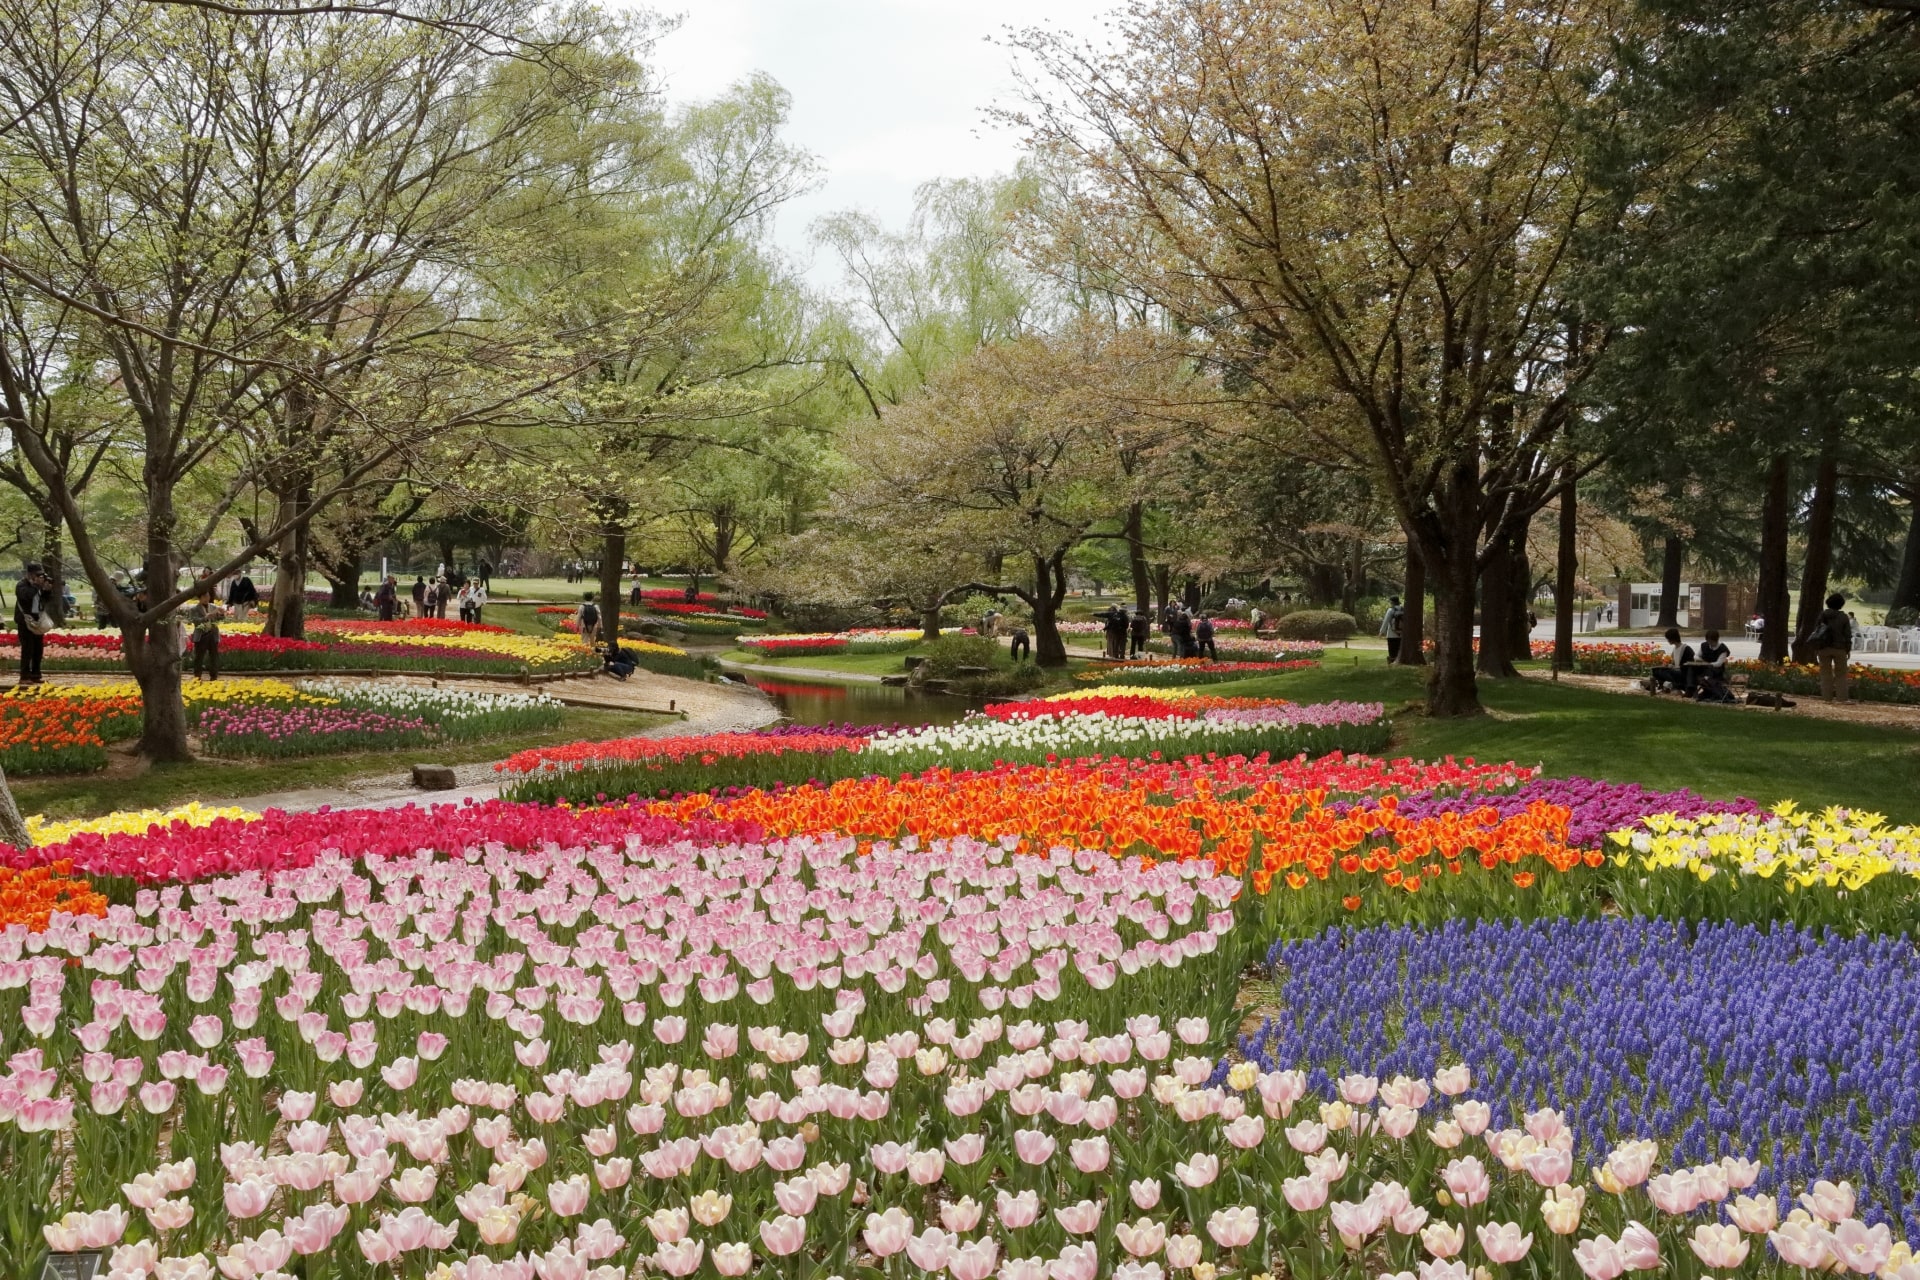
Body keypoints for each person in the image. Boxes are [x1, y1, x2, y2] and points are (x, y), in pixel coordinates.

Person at [1804, 591, 1854, 703]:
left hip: (1823, 647)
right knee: (1841, 674)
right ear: (1841, 604)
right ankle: (1842, 698)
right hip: (1839, 648)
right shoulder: (1843, 617)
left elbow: (1817, 631)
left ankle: (1827, 698)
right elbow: (1847, 634)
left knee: (1825, 673)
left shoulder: (1822, 615)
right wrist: (1848, 648)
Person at [13, 562, 53, 685]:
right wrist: (36, 586)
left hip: (37, 620)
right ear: (30, 574)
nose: (40, 577)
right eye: (37, 575)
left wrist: (46, 590)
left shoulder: (38, 586)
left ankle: (36, 674)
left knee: (37, 649)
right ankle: (24, 675)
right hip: (25, 621)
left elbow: (45, 600)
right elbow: (27, 597)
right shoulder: (21, 585)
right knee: (27, 649)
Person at [1647, 626, 1694, 694]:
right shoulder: (1675, 649)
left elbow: (1687, 665)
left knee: (1668, 672)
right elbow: (1674, 663)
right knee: (1656, 670)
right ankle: (1661, 687)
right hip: (1676, 670)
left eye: (1668, 639)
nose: (1668, 641)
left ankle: (1676, 686)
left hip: (1682, 673)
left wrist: (1672, 667)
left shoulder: (1685, 648)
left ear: (1673, 638)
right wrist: (1669, 665)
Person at [187, 594, 222, 680]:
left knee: (214, 656)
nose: (207, 599)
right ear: (200, 598)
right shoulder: (194, 609)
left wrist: (221, 614)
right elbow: (195, 621)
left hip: (212, 634)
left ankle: (214, 676)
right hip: (201, 636)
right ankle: (197, 675)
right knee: (199, 657)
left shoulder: (213, 607)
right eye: (204, 597)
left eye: (208, 597)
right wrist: (206, 617)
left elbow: (220, 619)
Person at [1693, 629, 1733, 702]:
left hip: (1716, 671)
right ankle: (1691, 687)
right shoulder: (1704, 645)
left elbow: (1718, 663)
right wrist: (1701, 661)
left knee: (1710, 671)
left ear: (1716, 640)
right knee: (1692, 669)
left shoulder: (1722, 649)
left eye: (1711, 641)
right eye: (1708, 641)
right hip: (1704, 668)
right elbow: (1696, 656)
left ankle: (1707, 683)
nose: (1710, 643)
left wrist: (1708, 664)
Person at [1380, 595, 1406, 664]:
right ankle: (1398, 661)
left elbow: (1386, 621)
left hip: (1391, 634)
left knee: (1392, 651)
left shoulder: (1390, 610)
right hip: (1401, 634)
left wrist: (1381, 632)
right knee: (1398, 650)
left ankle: (1392, 662)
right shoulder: (1403, 610)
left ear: (1392, 602)